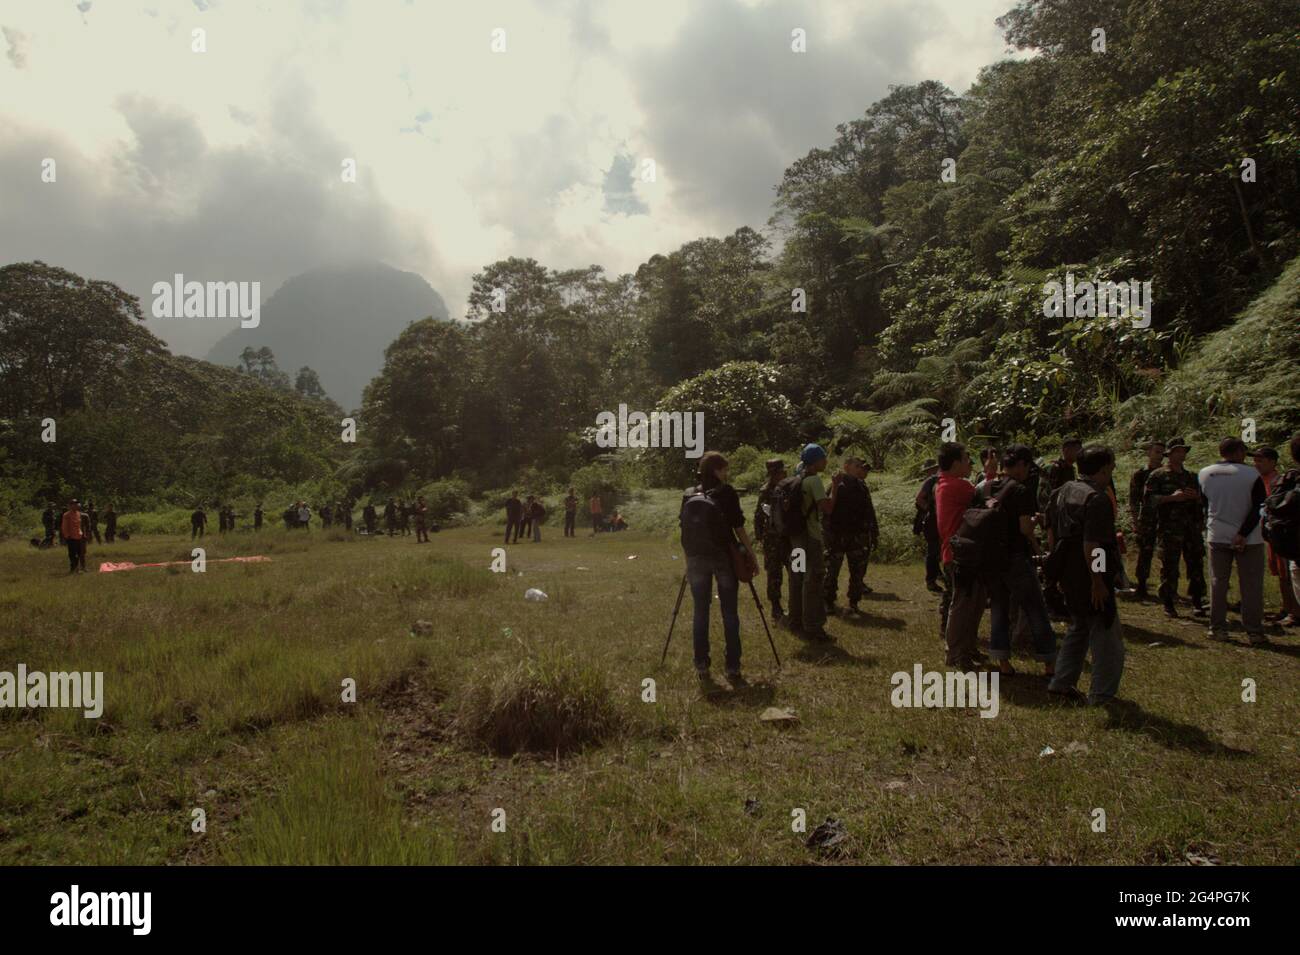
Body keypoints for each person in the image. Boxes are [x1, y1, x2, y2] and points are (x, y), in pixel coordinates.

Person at [1045, 445, 1125, 705]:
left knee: (1079, 626)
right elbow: (1094, 545)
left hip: (1067, 571)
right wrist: (1098, 581)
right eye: (1111, 466)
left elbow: (1051, 534)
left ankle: (1061, 682)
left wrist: (1056, 570)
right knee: (1105, 633)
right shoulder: (1097, 499)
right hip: (1089, 573)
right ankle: (1102, 694)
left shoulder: (1060, 492)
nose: (1113, 470)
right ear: (1103, 469)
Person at [678, 451, 757, 685]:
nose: (726, 473)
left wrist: (687, 560)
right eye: (724, 469)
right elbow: (739, 527)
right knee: (729, 612)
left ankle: (701, 664)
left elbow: (684, 528)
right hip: (723, 556)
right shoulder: (727, 492)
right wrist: (750, 554)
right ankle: (732, 667)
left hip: (696, 558)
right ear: (716, 470)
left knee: (700, 612)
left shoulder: (689, 494)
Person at [979, 445, 1057, 677]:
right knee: (1036, 609)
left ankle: (1003, 663)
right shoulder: (1021, 491)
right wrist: (1035, 520)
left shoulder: (986, 487)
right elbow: (1024, 528)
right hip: (1016, 558)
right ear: (1022, 464)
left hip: (992, 559)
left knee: (999, 610)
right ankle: (1050, 664)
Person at [1199, 438, 1268, 645]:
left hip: (1217, 534)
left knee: (1218, 582)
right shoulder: (1252, 474)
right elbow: (1259, 507)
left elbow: (1205, 504)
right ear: (1239, 452)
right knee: (1251, 584)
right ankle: (1254, 631)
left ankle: (1217, 627)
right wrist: (1243, 533)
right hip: (1249, 538)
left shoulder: (1205, 473)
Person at [936, 442, 987, 669]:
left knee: (974, 604)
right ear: (956, 463)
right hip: (959, 555)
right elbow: (984, 491)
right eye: (967, 459)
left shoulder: (944, 484)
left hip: (963, 553)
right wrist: (992, 471)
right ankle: (956, 652)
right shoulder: (957, 486)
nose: (970, 463)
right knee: (963, 605)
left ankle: (966, 648)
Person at [1145, 437, 1207, 618]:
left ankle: (1197, 601)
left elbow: (1203, 501)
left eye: (1183, 451)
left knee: (1196, 564)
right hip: (1170, 528)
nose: (1181, 455)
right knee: (1170, 566)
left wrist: (1195, 497)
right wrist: (1171, 498)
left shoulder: (1192, 477)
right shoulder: (1158, 475)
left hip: (1191, 528)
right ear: (1169, 454)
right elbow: (1148, 500)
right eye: (1177, 451)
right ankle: (1168, 602)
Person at [787, 444, 841, 643]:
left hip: (796, 540)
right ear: (815, 461)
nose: (826, 462)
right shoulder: (814, 481)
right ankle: (813, 626)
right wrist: (835, 485)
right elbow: (827, 508)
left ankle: (795, 621)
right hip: (811, 538)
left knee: (797, 578)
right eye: (823, 458)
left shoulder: (796, 479)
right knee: (814, 580)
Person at [823, 456, 879, 615]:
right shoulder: (835, 485)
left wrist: (873, 532)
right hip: (837, 536)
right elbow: (827, 512)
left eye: (860, 466)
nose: (859, 468)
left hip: (857, 536)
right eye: (856, 465)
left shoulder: (861, 486)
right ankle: (828, 601)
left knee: (857, 572)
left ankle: (853, 602)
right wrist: (828, 536)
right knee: (832, 571)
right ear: (846, 466)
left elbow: (869, 511)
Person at [1253, 447, 1299, 625]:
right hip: (1270, 533)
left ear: (1272, 462)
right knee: (1280, 573)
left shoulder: (1279, 482)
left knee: (1288, 572)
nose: (1257, 464)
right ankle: (1287, 608)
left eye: (1261, 460)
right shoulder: (1258, 479)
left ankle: (1295, 612)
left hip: (1284, 533)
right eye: (1255, 460)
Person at [1127, 439, 1166, 600]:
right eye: (1157, 451)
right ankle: (1141, 585)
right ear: (1149, 453)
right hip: (1147, 518)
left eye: (1162, 452)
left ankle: (1167, 586)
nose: (1159, 455)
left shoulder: (1167, 473)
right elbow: (1134, 500)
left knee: (1167, 552)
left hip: (1166, 518)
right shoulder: (1140, 474)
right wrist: (1136, 521)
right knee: (1146, 551)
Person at [755, 459, 790, 621]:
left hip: (790, 539)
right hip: (773, 541)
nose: (786, 473)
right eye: (783, 471)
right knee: (774, 575)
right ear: (775, 474)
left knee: (797, 571)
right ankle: (776, 608)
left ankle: (796, 605)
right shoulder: (766, 491)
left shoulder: (788, 487)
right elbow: (759, 516)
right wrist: (760, 537)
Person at [913, 460, 944, 593]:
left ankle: (937, 574)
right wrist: (931, 510)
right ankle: (930, 580)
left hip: (941, 520)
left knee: (938, 551)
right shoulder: (931, 481)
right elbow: (919, 499)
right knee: (933, 550)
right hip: (932, 521)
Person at [61, 499, 87, 573]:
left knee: (80, 553)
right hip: (71, 537)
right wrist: (67, 536)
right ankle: (74, 568)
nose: (76, 505)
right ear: (70, 505)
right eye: (74, 504)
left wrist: (83, 534)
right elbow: (64, 526)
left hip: (79, 536)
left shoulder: (78, 514)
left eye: (76, 504)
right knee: (72, 554)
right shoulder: (66, 515)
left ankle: (79, 568)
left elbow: (79, 525)